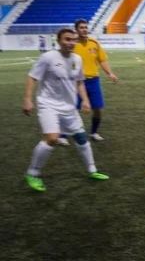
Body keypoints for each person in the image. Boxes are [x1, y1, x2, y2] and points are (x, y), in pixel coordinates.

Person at [21, 28, 110, 192]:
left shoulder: (77, 59)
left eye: (73, 40)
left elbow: (79, 82)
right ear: (59, 40)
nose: (71, 43)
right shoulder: (48, 57)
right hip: (48, 104)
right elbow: (32, 77)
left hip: (69, 106)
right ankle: (32, 173)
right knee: (52, 138)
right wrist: (27, 99)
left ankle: (92, 170)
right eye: (67, 39)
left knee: (81, 137)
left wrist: (84, 100)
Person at [59, 19, 117, 144]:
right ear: (76, 30)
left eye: (86, 27)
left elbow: (102, 60)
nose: (84, 29)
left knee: (98, 109)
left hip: (94, 81)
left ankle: (94, 132)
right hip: (76, 82)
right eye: (81, 27)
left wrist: (110, 73)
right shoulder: (72, 45)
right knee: (70, 108)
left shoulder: (94, 43)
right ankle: (62, 135)